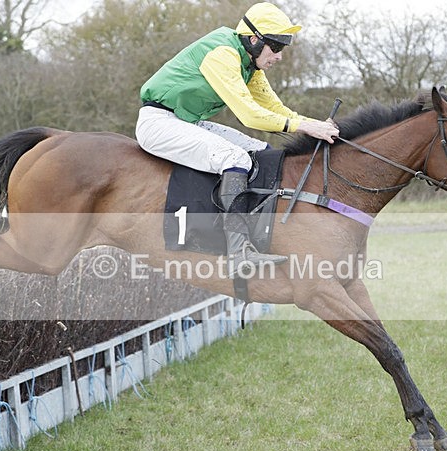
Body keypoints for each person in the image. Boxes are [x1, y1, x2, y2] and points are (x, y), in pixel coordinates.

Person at [136, 2, 339, 276]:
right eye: (276, 47)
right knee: (236, 158)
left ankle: (261, 233)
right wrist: (304, 126)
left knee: (262, 151)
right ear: (254, 40)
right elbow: (250, 115)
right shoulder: (223, 54)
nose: (279, 56)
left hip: (185, 122)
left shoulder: (250, 65)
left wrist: (314, 124)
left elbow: (275, 110)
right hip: (158, 124)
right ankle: (238, 251)